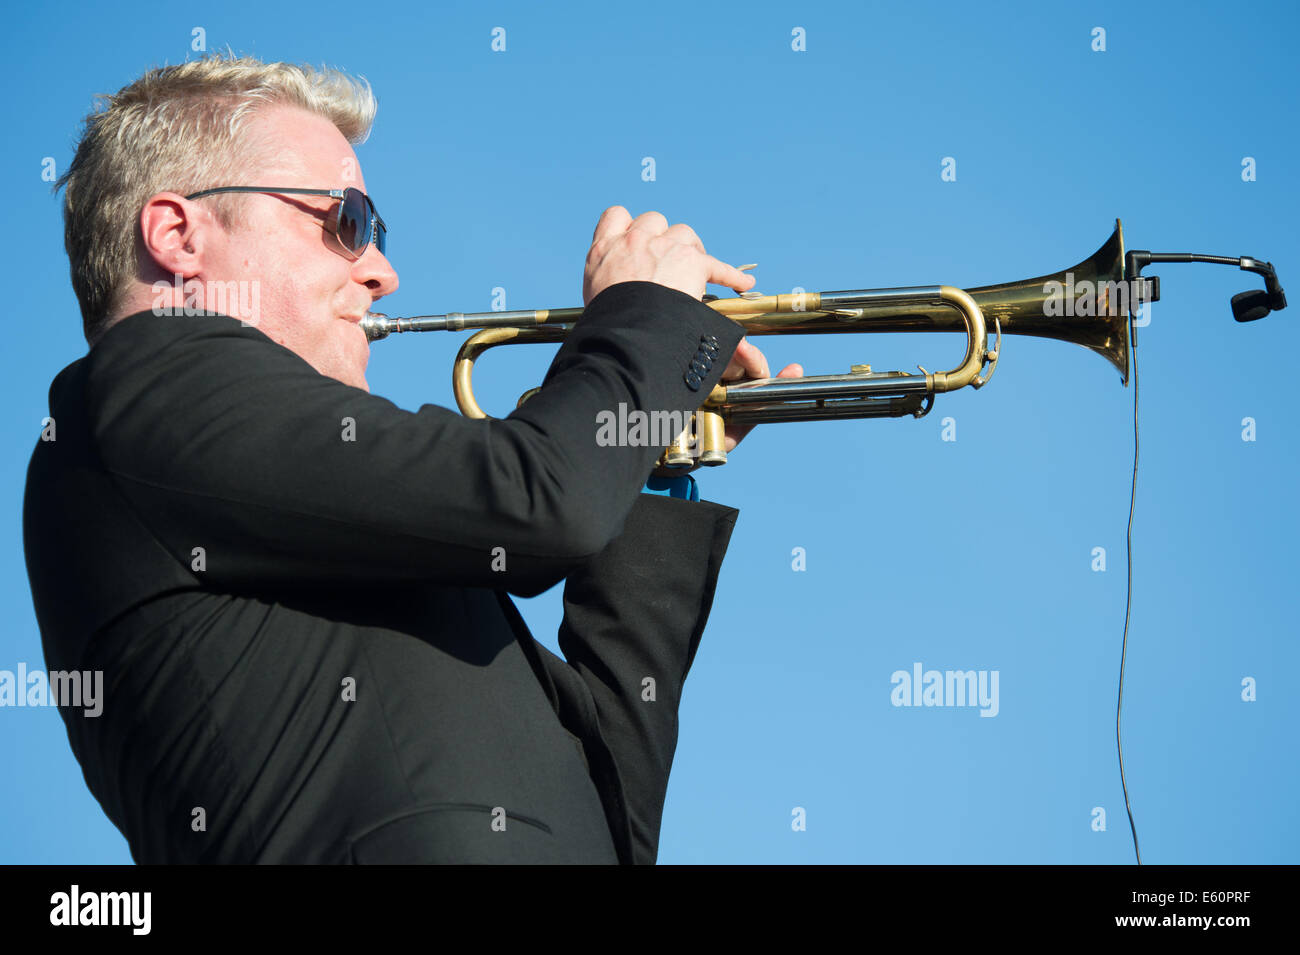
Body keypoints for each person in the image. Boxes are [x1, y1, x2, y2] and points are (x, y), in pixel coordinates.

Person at [23, 54, 801, 863]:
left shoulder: (311, 519)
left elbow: (617, 814)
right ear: (179, 235)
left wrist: (648, 457)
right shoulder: (146, 387)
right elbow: (545, 502)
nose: (382, 270)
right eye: (345, 221)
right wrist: (642, 322)